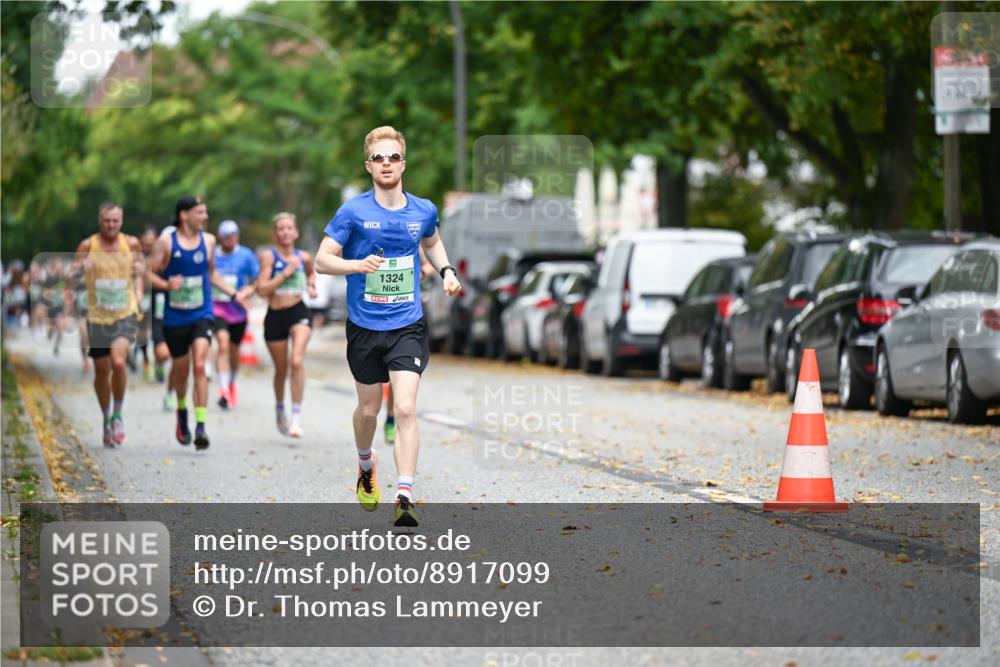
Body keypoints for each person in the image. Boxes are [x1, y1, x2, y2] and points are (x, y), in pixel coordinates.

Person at [315, 126, 461, 527]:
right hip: (364, 325)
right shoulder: (353, 212)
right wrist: (355, 265)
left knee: (407, 407)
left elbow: (431, 241)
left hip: (406, 324)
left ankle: (405, 495)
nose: (386, 164)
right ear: (368, 166)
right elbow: (321, 260)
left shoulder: (423, 209)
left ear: (403, 163)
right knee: (368, 409)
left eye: (392, 157)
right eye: (378, 158)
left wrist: (445, 270)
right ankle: (366, 464)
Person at [147, 197, 243, 450]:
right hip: (174, 317)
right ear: (183, 215)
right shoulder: (166, 242)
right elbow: (147, 273)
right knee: (181, 370)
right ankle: (181, 412)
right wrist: (167, 285)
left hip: (202, 313)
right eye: (200, 212)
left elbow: (210, 273)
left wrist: (233, 294)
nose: (205, 216)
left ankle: (200, 425)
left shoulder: (209, 241)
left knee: (200, 365)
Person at [70, 202, 144, 447]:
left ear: (121, 221)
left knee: (119, 362)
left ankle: (118, 415)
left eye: (115, 221)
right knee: (101, 371)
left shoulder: (131, 244)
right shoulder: (87, 245)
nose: (111, 225)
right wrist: (81, 268)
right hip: (98, 316)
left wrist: (140, 292)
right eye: (106, 221)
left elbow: (140, 272)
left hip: (125, 312)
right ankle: (106, 416)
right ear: (99, 221)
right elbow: (70, 277)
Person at [257, 212, 317, 437]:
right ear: (275, 234)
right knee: (281, 369)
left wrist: (311, 286)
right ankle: (280, 406)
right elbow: (261, 290)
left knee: (297, 361)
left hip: (298, 312)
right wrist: (285, 274)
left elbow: (311, 275)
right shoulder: (268, 258)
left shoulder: (305, 257)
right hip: (274, 316)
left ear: (296, 232)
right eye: (281, 228)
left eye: (289, 228)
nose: (285, 232)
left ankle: (296, 418)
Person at [211, 219, 260, 410]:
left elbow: (257, 281)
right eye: (226, 237)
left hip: (238, 311)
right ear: (220, 238)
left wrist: (248, 291)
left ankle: (231, 382)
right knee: (222, 344)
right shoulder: (212, 254)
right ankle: (223, 390)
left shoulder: (246, 255)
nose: (230, 240)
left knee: (233, 350)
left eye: (233, 236)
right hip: (216, 308)